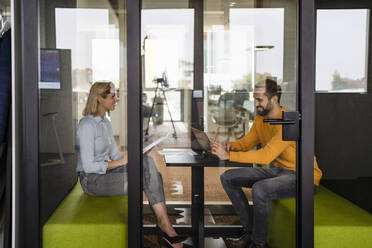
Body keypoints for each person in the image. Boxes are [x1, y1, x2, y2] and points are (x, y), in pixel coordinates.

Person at [211, 79, 322, 248]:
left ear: (274, 99)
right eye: (254, 99)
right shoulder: (260, 120)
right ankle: (249, 231)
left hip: (303, 176)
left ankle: (258, 244)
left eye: (259, 100)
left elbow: (265, 156)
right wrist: (231, 145)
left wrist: (228, 155)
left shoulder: (288, 122)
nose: (255, 104)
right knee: (228, 177)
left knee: (260, 189)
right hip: (279, 171)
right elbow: (247, 143)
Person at [76, 82, 188, 248]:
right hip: (91, 181)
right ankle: (165, 228)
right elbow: (89, 167)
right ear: (100, 99)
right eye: (113, 96)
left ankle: (164, 224)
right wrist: (122, 161)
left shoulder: (105, 123)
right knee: (147, 175)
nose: (117, 99)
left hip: (105, 174)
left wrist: (135, 155)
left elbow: (115, 155)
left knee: (147, 162)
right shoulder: (86, 126)